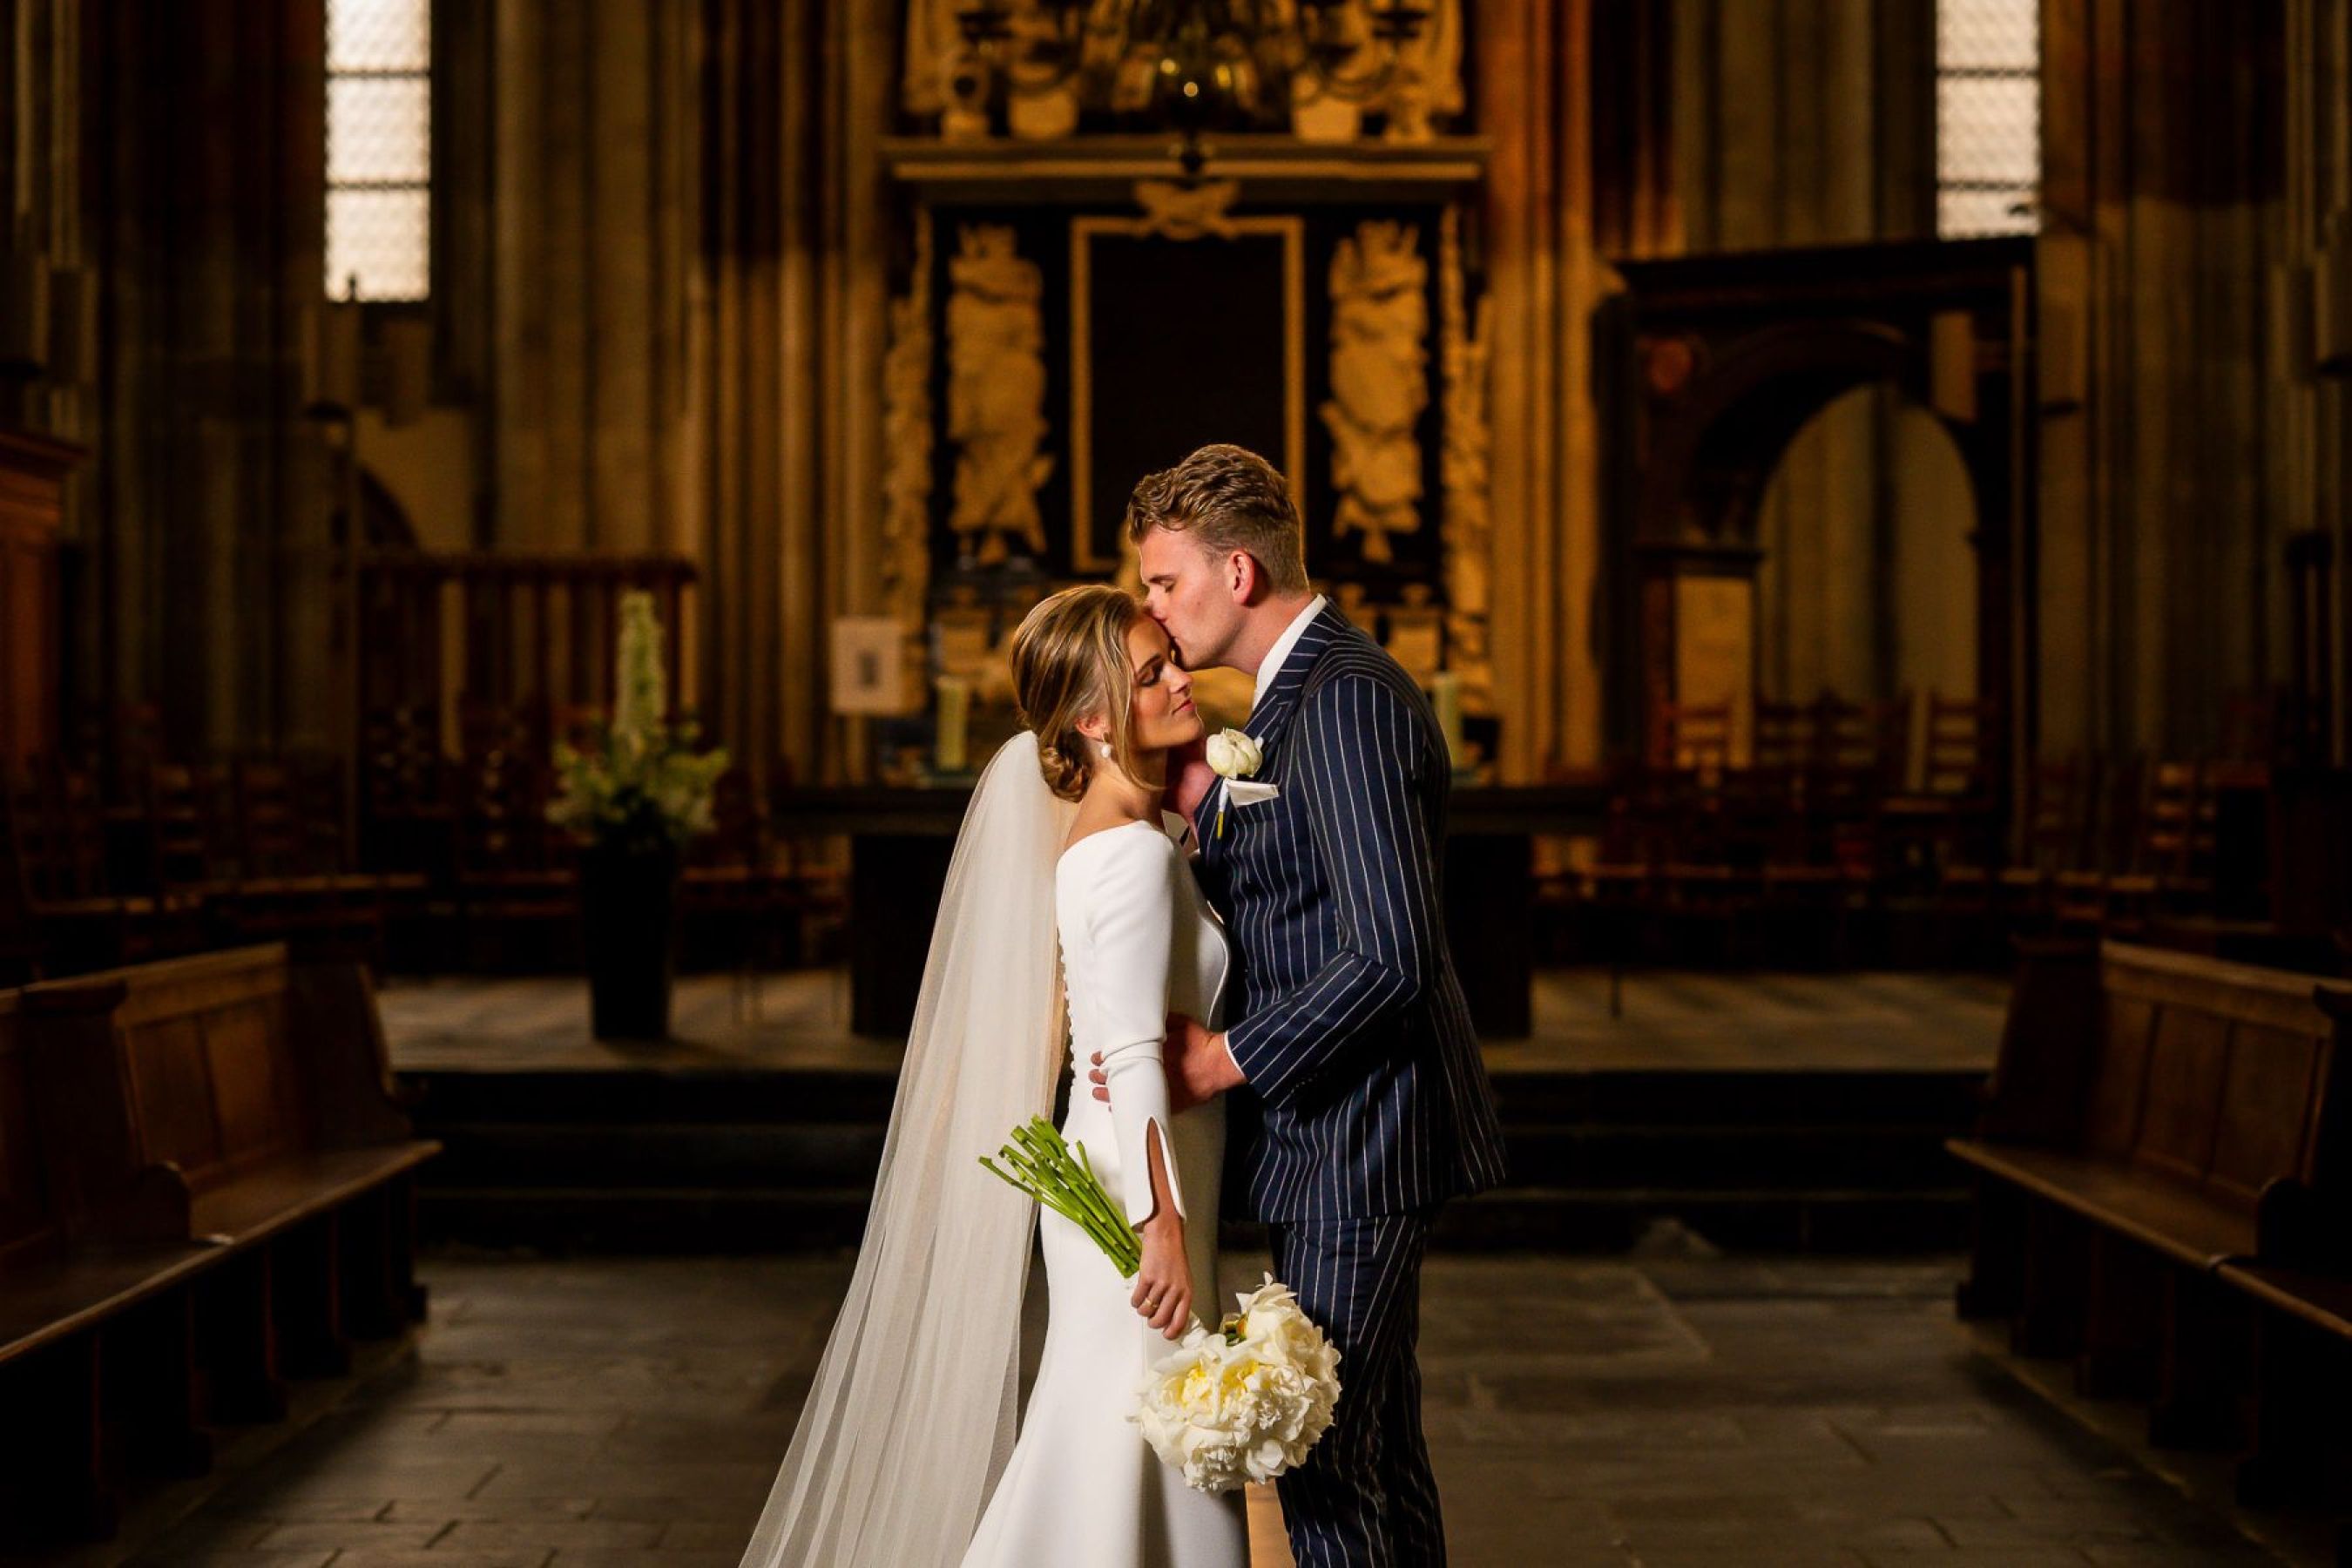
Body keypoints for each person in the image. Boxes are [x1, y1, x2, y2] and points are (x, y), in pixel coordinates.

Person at [736, 584, 1246, 1568]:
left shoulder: (1119, 842)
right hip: (1139, 1201)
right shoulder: (1128, 859)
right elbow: (1131, 1055)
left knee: (1123, 1446)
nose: (1181, 679)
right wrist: (1161, 1229)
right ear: (1094, 720)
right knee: (1134, 1449)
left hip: (1135, 1177)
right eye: (1152, 675)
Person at [1094, 443, 1509, 1567]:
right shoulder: (1292, 701)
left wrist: (1224, 1061)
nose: (1156, 611)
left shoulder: (1347, 702)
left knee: (1322, 1463)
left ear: (1237, 575)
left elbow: (1388, 953)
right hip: (1333, 1137)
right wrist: (1203, 815)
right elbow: (1305, 892)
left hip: (1361, 1138)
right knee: (1372, 1453)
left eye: (1165, 584)